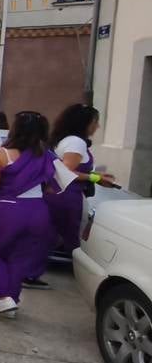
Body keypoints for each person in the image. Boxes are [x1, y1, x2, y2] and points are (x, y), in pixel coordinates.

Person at [0, 111, 57, 317]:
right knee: (20, 258)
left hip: (6, 209)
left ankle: (3, 296)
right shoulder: (47, 156)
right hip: (38, 211)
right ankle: (11, 300)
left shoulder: (1, 154)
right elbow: (52, 187)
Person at [38, 104, 116, 289]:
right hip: (67, 196)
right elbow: (66, 170)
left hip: (59, 194)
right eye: (96, 122)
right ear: (86, 123)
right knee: (73, 239)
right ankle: (87, 282)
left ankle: (28, 271)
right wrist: (95, 177)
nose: (97, 127)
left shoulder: (65, 139)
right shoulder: (76, 143)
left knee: (51, 235)